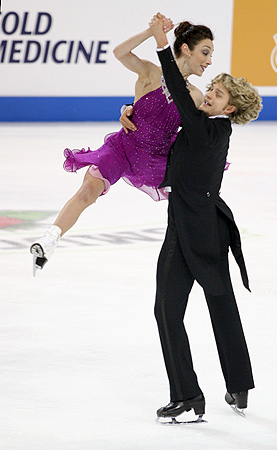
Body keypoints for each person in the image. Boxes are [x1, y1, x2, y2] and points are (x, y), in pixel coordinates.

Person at [30, 16, 215, 275]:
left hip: (157, 161)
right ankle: (50, 238)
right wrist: (151, 33)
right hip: (123, 148)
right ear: (186, 49)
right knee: (87, 191)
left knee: (186, 202)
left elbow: (202, 127)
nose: (208, 61)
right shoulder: (151, 72)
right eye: (205, 53)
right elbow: (120, 52)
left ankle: (199, 254)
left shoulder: (195, 95)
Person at [148, 14, 262, 422]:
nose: (210, 91)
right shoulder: (216, 129)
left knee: (166, 309)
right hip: (208, 225)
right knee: (220, 305)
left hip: (188, 226)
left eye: (217, 92)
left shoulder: (204, 127)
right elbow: (177, 102)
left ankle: (187, 395)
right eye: (211, 87)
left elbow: (178, 92)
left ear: (228, 107)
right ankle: (238, 386)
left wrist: (163, 46)